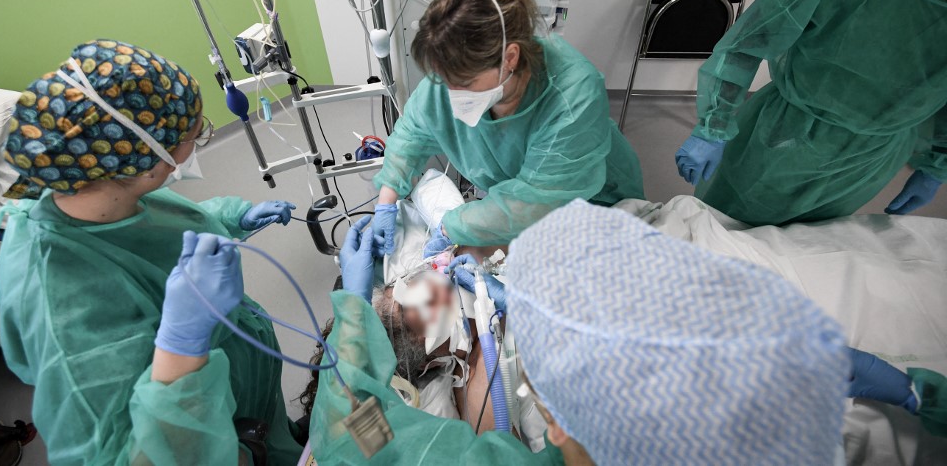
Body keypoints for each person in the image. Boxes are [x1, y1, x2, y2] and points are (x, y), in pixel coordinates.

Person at [311, 202, 853, 464]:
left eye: (402, 285)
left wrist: (454, 245)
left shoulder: (463, 283)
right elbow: (354, 421)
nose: (420, 288)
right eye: (405, 311)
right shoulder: (465, 403)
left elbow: (350, 413)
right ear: (420, 365)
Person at [0, 40, 302, 465]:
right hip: (206, 429)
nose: (198, 143)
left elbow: (156, 227)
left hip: (238, 389)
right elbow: (131, 456)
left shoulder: (94, 190)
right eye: (198, 134)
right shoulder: (61, 309)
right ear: (148, 158)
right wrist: (183, 345)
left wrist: (233, 218)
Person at [676, 0, 947, 225]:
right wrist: (712, 127)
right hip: (788, 135)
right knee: (722, 228)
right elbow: (755, 35)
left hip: (876, 156)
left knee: (801, 245)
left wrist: (937, 165)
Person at [370, 0, 644, 254]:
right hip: (518, 205)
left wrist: (453, 227)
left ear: (509, 58)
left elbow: (534, 202)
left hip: (588, 204)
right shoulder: (452, 76)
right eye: (443, 80)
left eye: (464, 82)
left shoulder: (572, 96)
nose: (450, 94)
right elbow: (412, 133)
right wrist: (386, 201)